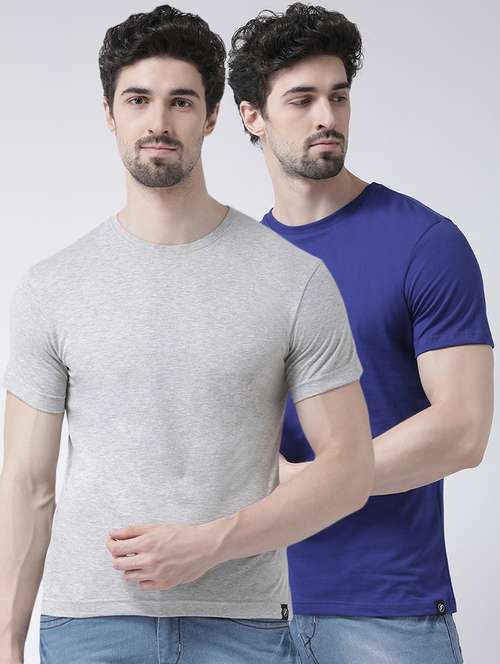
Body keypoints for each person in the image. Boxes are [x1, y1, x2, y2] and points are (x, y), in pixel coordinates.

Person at [0, 4, 375, 664]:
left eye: (181, 102)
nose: (158, 122)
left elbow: (349, 471)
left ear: (211, 117)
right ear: (109, 114)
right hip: (90, 624)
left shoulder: (294, 279)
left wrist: (212, 544)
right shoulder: (52, 287)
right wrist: (6, 640)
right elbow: (28, 485)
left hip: (242, 626)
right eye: (137, 99)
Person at [227, 3, 494, 663]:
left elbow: (464, 430)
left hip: (387, 613)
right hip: (247, 610)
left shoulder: (424, 243)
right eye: (302, 100)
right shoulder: (239, 264)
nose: (327, 116)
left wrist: (318, 482)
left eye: (338, 96)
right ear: (252, 116)